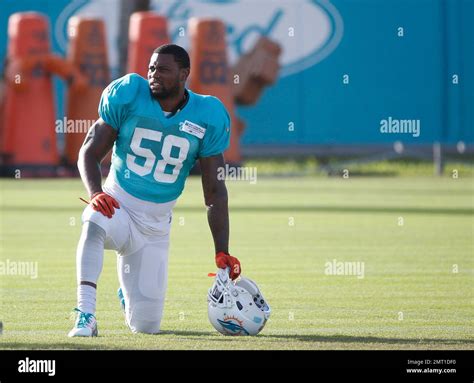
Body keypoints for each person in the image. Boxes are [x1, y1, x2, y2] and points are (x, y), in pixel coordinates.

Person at [68, 44, 241, 337]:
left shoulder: (207, 114)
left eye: (163, 69)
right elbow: (88, 152)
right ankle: (86, 314)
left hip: (156, 227)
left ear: (184, 74)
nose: (153, 75)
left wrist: (222, 250)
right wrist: (97, 192)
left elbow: (215, 192)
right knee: (94, 219)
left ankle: (128, 293)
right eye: (151, 68)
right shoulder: (129, 94)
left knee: (146, 327)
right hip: (118, 204)